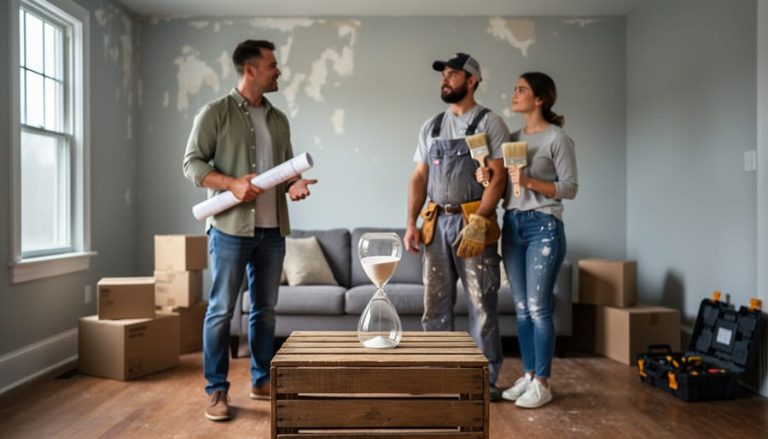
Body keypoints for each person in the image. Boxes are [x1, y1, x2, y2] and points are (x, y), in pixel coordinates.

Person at [183, 39, 317, 421]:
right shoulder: (216, 113)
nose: (278, 71)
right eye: (273, 65)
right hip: (228, 229)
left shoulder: (277, 119)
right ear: (250, 69)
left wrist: (295, 185)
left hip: (272, 231)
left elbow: (287, 171)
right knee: (222, 311)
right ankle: (217, 391)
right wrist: (232, 184)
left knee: (265, 311)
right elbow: (191, 165)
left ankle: (260, 380)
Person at [404, 52, 510, 402]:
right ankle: (439, 374)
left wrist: (480, 219)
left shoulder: (490, 122)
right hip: (436, 224)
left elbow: (498, 177)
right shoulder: (431, 126)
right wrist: (410, 223)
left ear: (472, 80)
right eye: (443, 75)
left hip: (472, 222)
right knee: (435, 305)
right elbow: (419, 176)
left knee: (482, 302)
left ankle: (485, 379)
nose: (445, 80)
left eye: (452, 75)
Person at [476, 72, 578, 408]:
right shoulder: (513, 139)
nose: (514, 93)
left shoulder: (557, 139)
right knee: (521, 309)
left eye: (522, 89)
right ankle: (530, 375)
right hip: (513, 225)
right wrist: (488, 177)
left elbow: (570, 188)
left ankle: (544, 383)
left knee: (538, 308)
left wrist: (530, 181)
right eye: (515, 88)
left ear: (540, 99)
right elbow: (507, 187)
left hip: (544, 228)